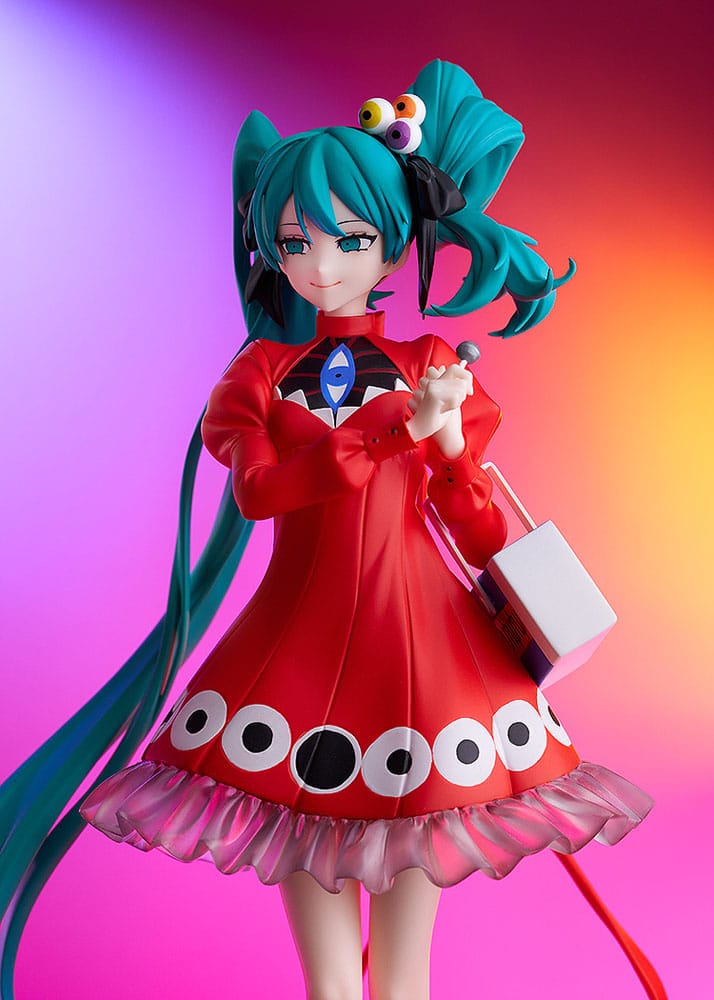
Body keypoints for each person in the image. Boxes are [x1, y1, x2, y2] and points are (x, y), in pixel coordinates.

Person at [0, 60, 659, 1000]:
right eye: (293, 240)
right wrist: (380, 437)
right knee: (323, 953)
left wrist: (445, 443)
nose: (320, 263)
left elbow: (479, 535)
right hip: (295, 650)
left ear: (395, 248)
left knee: (405, 961)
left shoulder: (431, 361)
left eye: (351, 239)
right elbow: (261, 494)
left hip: (426, 653)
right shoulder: (259, 373)